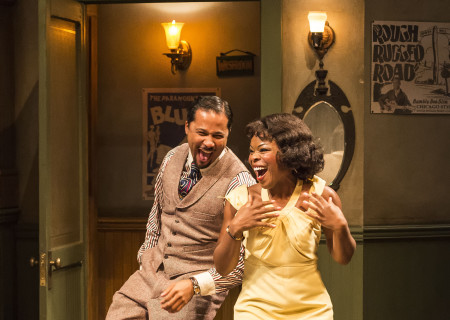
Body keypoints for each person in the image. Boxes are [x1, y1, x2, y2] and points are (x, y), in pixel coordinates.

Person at [106, 96, 255, 319]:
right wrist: (145, 256)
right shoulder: (171, 157)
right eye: (202, 133)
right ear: (187, 127)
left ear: (228, 134)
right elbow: (156, 215)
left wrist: (194, 285)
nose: (209, 142)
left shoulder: (239, 181)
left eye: (217, 135)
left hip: (193, 286)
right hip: (149, 273)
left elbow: (241, 265)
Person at [213, 113, 356, 319]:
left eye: (263, 150)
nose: (253, 157)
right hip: (255, 311)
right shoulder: (241, 199)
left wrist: (340, 228)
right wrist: (235, 228)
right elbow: (223, 269)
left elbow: (343, 258)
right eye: (252, 151)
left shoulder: (322, 196)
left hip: (312, 312)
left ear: (291, 154)